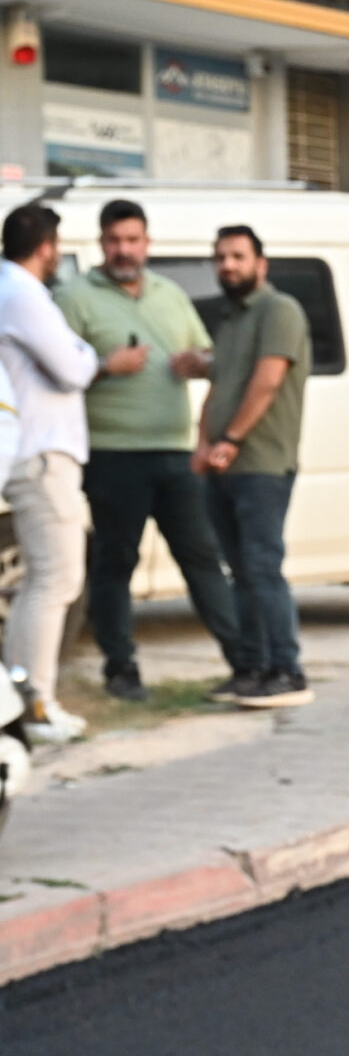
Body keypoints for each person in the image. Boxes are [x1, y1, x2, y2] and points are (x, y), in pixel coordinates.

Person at [58, 200, 253, 704]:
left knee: (202, 559)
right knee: (115, 563)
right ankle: (121, 672)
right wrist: (106, 366)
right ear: (101, 244)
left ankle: (244, 664)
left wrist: (200, 361)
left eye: (133, 240)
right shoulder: (74, 297)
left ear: (147, 244)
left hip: (174, 452)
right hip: (112, 454)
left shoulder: (170, 293)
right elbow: (54, 370)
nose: (125, 250)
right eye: (115, 240)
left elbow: (213, 356)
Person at [0, 204, 146, 741]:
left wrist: (79, 352)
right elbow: (73, 366)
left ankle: (24, 700)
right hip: (42, 454)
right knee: (56, 578)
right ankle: (33, 704)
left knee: (45, 579)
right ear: (46, 246)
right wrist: (90, 354)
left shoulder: (10, 290)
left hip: (31, 450)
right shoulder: (22, 293)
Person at [190, 225, 314, 709]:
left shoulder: (278, 310)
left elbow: (267, 381)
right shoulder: (231, 318)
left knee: (263, 567)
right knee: (239, 570)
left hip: (262, 462)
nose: (228, 265)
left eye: (238, 256)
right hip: (224, 464)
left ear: (261, 264)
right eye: (221, 257)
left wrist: (230, 441)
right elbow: (218, 388)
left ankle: (288, 670)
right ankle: (254, 670)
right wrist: (202, 444)